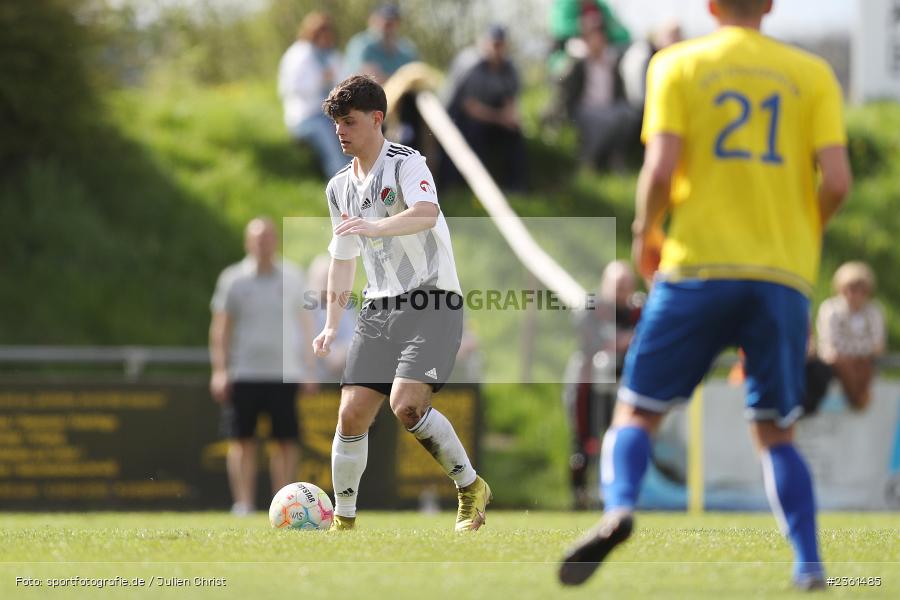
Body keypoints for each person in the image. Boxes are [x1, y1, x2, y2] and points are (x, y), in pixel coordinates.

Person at [558, 0, 852, 591]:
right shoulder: (812, 73)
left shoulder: (677, 64)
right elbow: (838, 181)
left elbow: (661, 169)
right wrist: (802, 232)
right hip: (780, 276)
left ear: (711, 6)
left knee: (636, 410)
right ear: (769, 6)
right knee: (775, 431)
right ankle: (809, 565)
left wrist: (646, 234)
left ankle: (618, 509)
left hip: (696, 268)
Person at [313, 75, 491, 532]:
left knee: (406, 406)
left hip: (433, 300)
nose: (340, 132)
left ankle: (470, 486)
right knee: (351, 412)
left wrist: (376, 227)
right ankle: (344, 522)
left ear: (377, 119)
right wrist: (332, 324)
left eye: (348, 122)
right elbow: (342, 258)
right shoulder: (338, 188)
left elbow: (426, 213)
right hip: (378, 309)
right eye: (335, 123)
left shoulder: (406, 164)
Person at [209, 218, 317, 516]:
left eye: (268, 237)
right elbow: (221, 329)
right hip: (244, 373)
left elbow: (306, 325)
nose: (263, 243)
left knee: (285, 442)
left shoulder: (293, 277)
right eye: (257, 238)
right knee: (242, 441)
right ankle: (243, 503)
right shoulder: (233, 279)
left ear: (276, 241)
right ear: (248, 243)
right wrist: (220, 370)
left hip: (285, 373)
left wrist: (309, 369)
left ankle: (284, 504)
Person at [563, 260, 642, 510]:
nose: (621, 292)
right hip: (588, 382)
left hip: (622, 384)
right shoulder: (593, 308)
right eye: (617, 286)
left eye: (626, 286)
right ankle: (580, 496)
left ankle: (613, 495)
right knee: (584, 440)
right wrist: (622, 342)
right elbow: (593, 342)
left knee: (617, 437)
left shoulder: (638, 310)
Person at [444, 25, 527, 192]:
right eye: (494, 44)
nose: (497, 50)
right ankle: (468, 187)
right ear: (485, 43)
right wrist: (500, 118)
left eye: (501, 45)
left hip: (491, 117)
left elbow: (510, 100)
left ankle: (516, 187)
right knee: (475, 132)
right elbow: (470, 108)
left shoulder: (509, 68)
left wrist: (511, 119)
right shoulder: (471, 65)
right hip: (459, 119)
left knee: (515, 132)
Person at [557, 15, 638, 170]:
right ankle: (588, 160)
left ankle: (615, 157)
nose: (599, 41)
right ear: (586, 39)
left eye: (601, 36)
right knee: (606, 122)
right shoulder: (577, 62)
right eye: (595, 37)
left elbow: (621, 92)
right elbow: (564, 88)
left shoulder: (612, 61)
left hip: (609, 108)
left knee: (628, 115)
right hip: (585, 110)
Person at [278, 12, 346, 178]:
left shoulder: (333, 55)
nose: (325, 37)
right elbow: (288, 88)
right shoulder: (298, 55)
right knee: (330, 140)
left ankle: (364, 181)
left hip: (332, 114)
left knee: (354, 131)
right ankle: (342, 186)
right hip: (307, 116)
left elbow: (345, 80)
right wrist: (320, 80)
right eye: (320, 33)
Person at [816, 261, 885, 411]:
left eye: (860, 289)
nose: (854, 294)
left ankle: (858, 400)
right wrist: (859, 353)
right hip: (836, 367)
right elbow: (831, 345)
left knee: (863, 365)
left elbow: (878, 345)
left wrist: (853, 354)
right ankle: (857, 400)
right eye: (850, 288)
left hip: (864, 365)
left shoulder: (874, 311)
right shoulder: (830, 309)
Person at [306, 253, 356, 383]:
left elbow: (352, 336)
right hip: (311, 378)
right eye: (324, 278)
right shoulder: (305, 308)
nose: (328, 284)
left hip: (339, 374)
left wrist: (340, 353)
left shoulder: (346, 306)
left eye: (331, 278)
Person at [343, 4, 418, 84]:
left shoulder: (407, 50)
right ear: (372, 20)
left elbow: (417, 77)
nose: (388, 26)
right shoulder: (361, 44)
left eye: (392, 22)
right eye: (385, 21)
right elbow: (364, 77)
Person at [619, 21, 683, 111]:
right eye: (674, 36)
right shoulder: (642, 54)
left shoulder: (664, 57)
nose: (677, 42)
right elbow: (639, 95)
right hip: (641, 110)